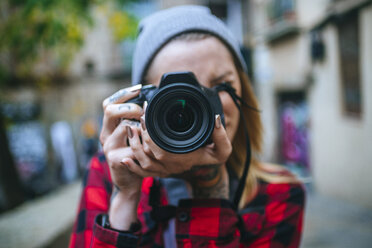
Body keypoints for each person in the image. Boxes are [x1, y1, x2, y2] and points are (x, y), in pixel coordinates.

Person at [69, 5, 305, 248]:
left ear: (243, 89)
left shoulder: (281, 194)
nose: (200, 106)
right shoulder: (109, 172)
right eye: (179, 92)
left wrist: (209, 183)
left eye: (221, 85)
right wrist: (125, 197)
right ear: (144, 105)